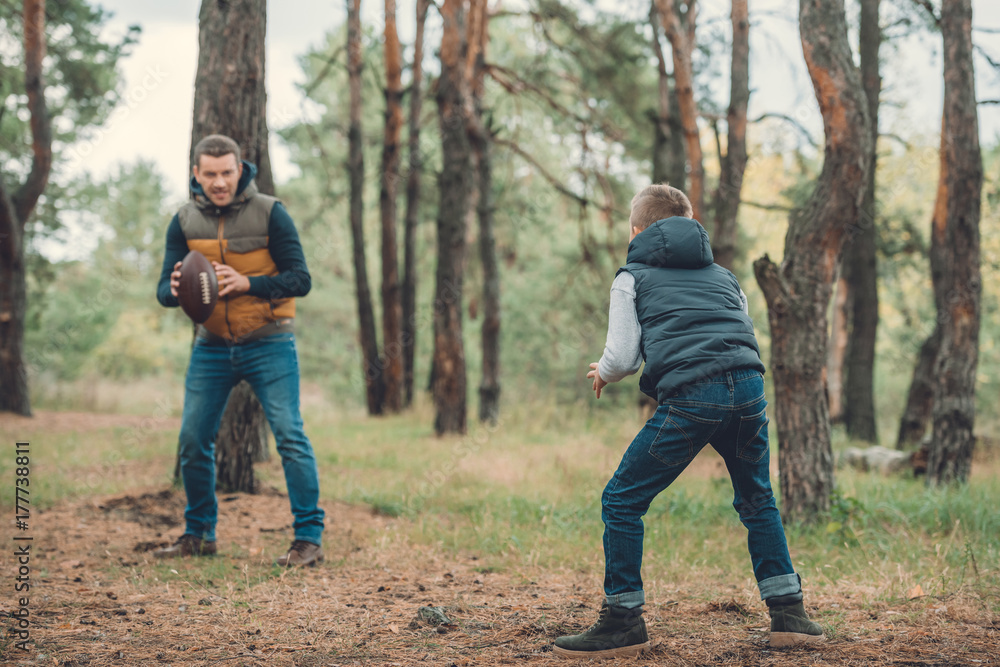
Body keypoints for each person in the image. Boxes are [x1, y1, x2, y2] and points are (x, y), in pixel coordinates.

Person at [553, 184, 824, 659]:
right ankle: (789, 613)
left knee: (621, 499)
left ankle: (622, 620)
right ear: (692, 224)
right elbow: (744, 334)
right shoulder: (725, 277)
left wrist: (604, 372)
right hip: (748, 391)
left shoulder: (631, 276)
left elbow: (621, 357)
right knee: (757, 498)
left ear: (637, 230)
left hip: (694, 398)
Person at [154, 134, 324, 567]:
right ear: (197, 173)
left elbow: (300, 279)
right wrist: (175, 290)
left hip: (269, 340)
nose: (219, 182)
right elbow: (163, 290)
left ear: (240, 169)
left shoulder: (271, 212)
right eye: (209, 174)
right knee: (193, 439)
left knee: (290, 436)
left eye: (226, 172)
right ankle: (199, 535)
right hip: (211, 347)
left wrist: (250, 284)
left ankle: (308, 539)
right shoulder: (184, 220)